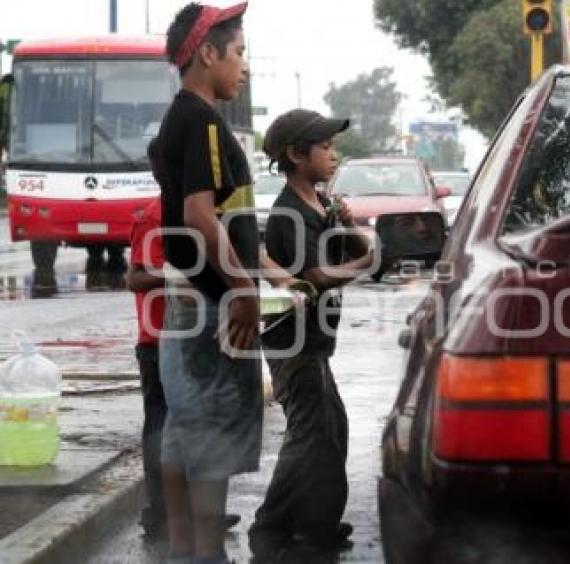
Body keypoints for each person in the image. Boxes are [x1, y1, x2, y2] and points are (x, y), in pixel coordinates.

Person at [248, 109, 379, 560]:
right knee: (310, 434)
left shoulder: (320, 206)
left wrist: (346, 222)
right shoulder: (289, 213)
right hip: (293, 342)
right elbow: (314, 275)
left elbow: (360, 249)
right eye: (325, 148)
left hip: (314, 341)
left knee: (331, 428)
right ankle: (273, 526)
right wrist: (364, 266)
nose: (333, 154)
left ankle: (316, 523)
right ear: (296, 155)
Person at [156, 3, 260, 563]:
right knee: (211, 431)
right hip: (211, 308)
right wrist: (244, 289)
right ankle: (206, 556)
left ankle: (183, 551)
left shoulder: (181, 119)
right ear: (207, 53)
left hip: (190, 301)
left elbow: (221, 218)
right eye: (238, 51)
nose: (243, 66)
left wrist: (265, 272)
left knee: (184, 429)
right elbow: (200, 215)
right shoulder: (201, 122)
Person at [127, 137, 242, 540]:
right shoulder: (154, 215)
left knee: (199, 426)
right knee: (162, 429)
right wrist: (177, 276)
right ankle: (160, 513)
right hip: (158, 342)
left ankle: (200, 509)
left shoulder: (203, 215)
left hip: (198, 339)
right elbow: (135, 277)